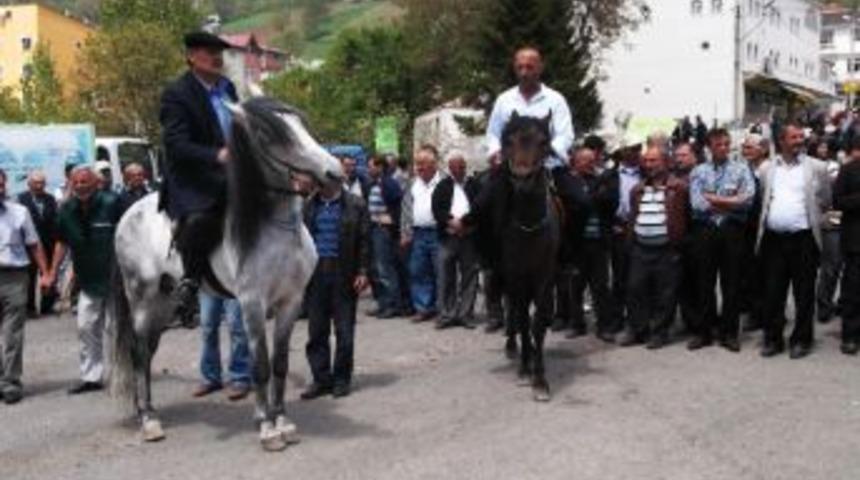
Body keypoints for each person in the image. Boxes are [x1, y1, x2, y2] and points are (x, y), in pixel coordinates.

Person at [160, 31, 237, 326]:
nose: (218, 57)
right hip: (193, 177)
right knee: (202, 217)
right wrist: (216, 155)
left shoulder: (227, 87)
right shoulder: (177, 93)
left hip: (233, 171)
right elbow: (176, 145)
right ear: (192, 57)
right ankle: (190, 283)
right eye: (210, 51)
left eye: (220, 51)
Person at [757, 124, 831, 359]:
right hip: (774, 241)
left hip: (804, 240)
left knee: (804, 293)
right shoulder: (767, 168)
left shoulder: (817, 167)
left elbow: (825, 200)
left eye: (801, 136)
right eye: (794, 137)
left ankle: (801, 340)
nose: (799, 140)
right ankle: (773, 339)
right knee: (773, 292)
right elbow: (763, 199)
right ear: (781, 141)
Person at [47, 167, 122, 394]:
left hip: (115, 280)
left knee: (115, 329)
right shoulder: (66, 210)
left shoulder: (112, 203)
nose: (80, 185)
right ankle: (92, 377)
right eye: (76, 182)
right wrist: (52, 272)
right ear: (70, 184)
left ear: (95, 183)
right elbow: (61, 242)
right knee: (86, 327)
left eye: (85, 181)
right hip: (87, 281)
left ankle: (121, 374)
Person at [301, 177, 369, 400]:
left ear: (337, 180)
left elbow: (364, 240)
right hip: (315, 274)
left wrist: (363, 271)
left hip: (344, 273)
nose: (321, 182)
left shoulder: (356, 204)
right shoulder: (308, 206)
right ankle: (321, 379)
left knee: (344, 333)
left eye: (326, 178)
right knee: (316, 332)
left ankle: (341, 379)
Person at [688, 128, 755, 352]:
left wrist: (714, 198)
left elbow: (747, 200)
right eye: (719, 144)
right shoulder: (698, 171)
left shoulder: (741, 168)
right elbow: (697, 204)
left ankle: (729, 333)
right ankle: (704, 332)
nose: (724, 148)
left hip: (732, 232)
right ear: (709, 147)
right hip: (705, 231)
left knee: (732, 284)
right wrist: (730, 201)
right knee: (703, 284)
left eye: (727, 144)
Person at [619, 146, 689, 349]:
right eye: (646, 161)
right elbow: (633, 217)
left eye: (654, 160)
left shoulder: (679, 188)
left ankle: (659, 332)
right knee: (635, 289)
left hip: (667, 249)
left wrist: (680, 247)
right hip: (641, 249)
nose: (649, 165)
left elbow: (688, 219)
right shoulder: (638, 189)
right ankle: (637, 329)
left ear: (665, 162)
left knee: (665, 294)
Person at [0, 169, 51, 404]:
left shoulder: (19, 212)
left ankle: (10, 382)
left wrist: (45, 273)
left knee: (13, 333)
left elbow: (34, 244)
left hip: (15, 277)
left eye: (0, 185)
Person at [486, 46, 575, 174]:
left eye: (529, 67)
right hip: (510, 168)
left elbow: (565, 135)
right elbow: (493, 133)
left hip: (549, 167)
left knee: (577, 194)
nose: (524, 73)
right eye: (520, 67)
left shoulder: (556, 100)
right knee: (484, 193)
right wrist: (495, 152)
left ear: (540, 68)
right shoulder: (504, 99)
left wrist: (545, 154)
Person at [565, 146, 617, 342]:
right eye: (585, 160)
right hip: (577, 244)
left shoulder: (602, 179)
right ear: (576, 162)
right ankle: (577, 324)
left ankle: (604, 326)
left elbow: (610, 200)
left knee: (600, 287)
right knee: (575, 287)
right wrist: (591, 198)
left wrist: (588, 197)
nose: (590, 163)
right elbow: (574, 205)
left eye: (592, 160)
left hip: (599, 243)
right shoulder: (569, 182)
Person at [432, 153, 480, 330]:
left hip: (469, 236)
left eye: (461, 166)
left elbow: (480, 207)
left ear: (465, 167)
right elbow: (437, 209)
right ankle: (447, 315)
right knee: (446, 277)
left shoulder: (475, 185)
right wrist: (451, 221)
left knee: (470, 277)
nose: (458, 170)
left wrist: (466, 224)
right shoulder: (443, 186)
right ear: (449, 168)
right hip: (448, 236)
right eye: (454, 167)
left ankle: (465, 314)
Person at [401, 145, 444, 322]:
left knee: (442, 273)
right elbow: (405, 210)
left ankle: (443, 309)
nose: (418, 167)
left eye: (423, 163)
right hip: (418, 234)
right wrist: (405, 232)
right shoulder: (412, 183)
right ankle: (423, 308)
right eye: (417, 163)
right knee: (418, 272)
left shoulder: (444, 182)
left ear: (434, 164)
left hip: (439, 233)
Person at [363, 155, 406, 318]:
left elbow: (398, 206)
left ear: (380, 167)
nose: (369, 169)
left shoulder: (389, 183)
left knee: (385, 269)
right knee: (377, 270)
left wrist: (391, 222)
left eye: (371, 166)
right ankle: (383, 303)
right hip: (374, 229)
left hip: (383, 231)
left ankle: (393, 305)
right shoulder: (375, 183)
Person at [191, 294, 251, 400]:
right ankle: (210, 378)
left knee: (236, 327)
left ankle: (240, 378)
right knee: (207, 327)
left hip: (233, 283)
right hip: (209, 284)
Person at [17, 171, 58, 316]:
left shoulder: (50, 199)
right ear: (29, 184)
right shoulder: (21, 199)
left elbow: (54, 219)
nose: (39, 186)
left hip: (48, 243)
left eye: (42, 183)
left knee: (49, 274)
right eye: (36, 183)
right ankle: (29, 308)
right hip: (29, 245)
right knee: (29, 276)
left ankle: (47, 306)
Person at [833, 138, 860, 355]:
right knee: (853, 290)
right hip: (855, 241)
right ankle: (850, 335)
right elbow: (837, 201)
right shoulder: (848, 170)